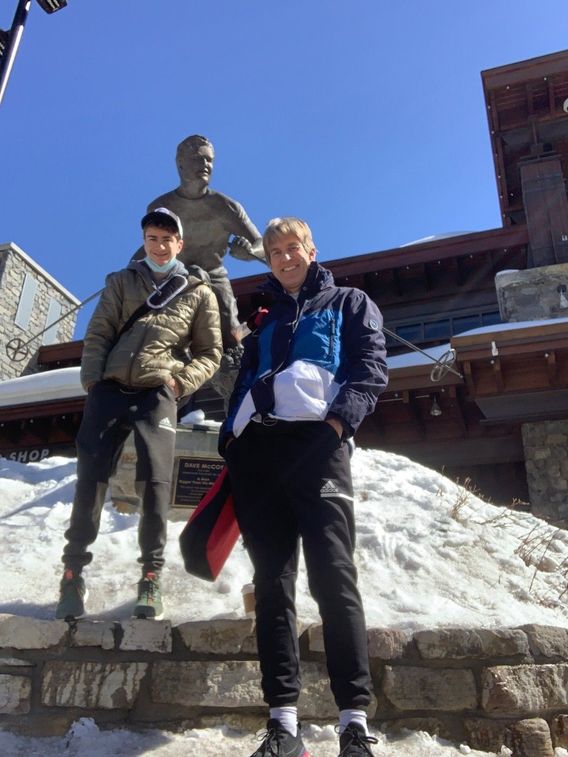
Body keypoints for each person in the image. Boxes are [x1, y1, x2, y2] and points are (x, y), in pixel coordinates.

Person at [219, 217, 388, 757]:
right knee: (272, 585)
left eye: (294, 248)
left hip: (318, 449)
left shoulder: (350, 302)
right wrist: (231, 438)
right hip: (258, 456)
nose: (285, 258)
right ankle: (283, 726)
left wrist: (338, 425)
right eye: (275, 252)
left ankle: (354, 723)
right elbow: (246, 380)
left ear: (312, 250)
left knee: (334, 578)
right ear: (268, 259)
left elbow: (369, 368)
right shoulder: (262, 318)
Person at [56, 208, 222, 621]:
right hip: (109, 391)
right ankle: (73, 573)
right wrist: (93, 382)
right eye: (152, 238)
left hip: (157, 393)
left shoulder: (198, 292)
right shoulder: (121, 282)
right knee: (91, 480)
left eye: (167, 239)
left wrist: (178, 383)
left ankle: (151, 576)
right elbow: (98, 334)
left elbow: (211, 352)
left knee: (156, 483)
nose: (159, 246)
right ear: (144, 241)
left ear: (179, 244)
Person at [133, 135, 265, 350]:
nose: (205, 165)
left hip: (214, 276)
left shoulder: (226, 207)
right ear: (181, 164)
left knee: (231, 335)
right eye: (197, 158)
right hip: (172, 279)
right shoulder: (161, 206)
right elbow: (148, 248)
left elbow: (261, 243)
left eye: (209, 160)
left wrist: (249, 251)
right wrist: (131, 273)